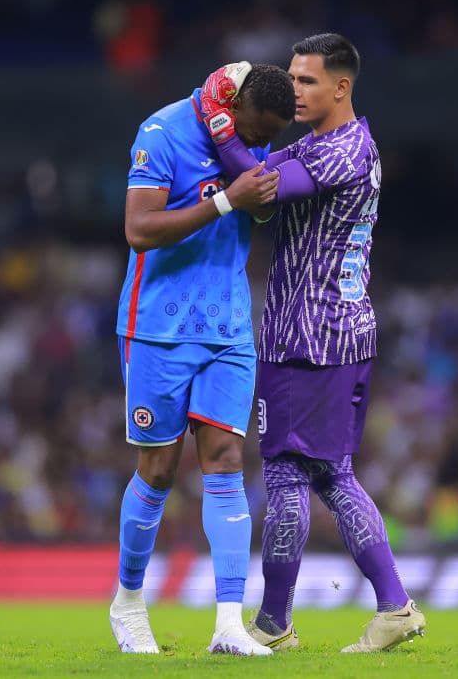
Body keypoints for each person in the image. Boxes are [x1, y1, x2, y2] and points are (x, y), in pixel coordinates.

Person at [198, 33, 426, 652]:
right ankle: (381, 608)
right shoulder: (328, 144)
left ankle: (288, 622)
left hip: (310, 338)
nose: (293, 90)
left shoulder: (341, 150)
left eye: (306, 81)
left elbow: (261, 188)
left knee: (290, 476)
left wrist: (216, 123)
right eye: (292, 79)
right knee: (324, 473)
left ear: (341, 87)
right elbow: (269, 197)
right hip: (332, 334)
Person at [109, 63, 294, 656]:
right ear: (234, 106)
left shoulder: (250, 140)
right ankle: (129, 602)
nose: (258, 145)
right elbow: (139, 230)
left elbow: (262, 208)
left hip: (229, 327)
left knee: (225, 462)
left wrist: (255, 190)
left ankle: (228, 625)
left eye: (269, 138)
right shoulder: (162, 133)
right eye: (255, 131)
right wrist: (226, 203)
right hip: (157, 329)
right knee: (159, 470)